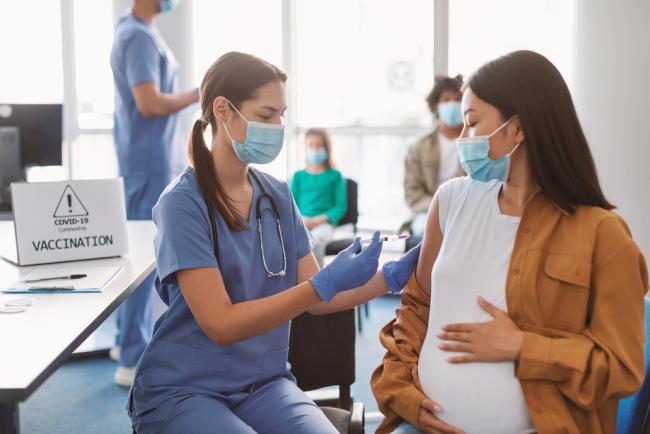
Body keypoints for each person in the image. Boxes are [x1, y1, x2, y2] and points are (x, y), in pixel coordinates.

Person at [127, 51, 422, 434]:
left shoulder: (277, 195)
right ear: (223, 110)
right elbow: (220, 324)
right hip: (186, 388)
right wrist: (322, 285)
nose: (278, 126)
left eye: (282, 114)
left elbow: (322, 301)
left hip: (263, 384)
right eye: (267, 115)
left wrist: (392, 275)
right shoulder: (182, 204)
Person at [371, 50, 648, 434]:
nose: (462, 138)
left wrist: (522, 347)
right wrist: (404, 396)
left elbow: (620, 369)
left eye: (471, 123)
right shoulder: (450, 200)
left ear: (518, 128)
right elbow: (416, 308)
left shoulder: (603, 234)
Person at [109, 0, 199, 387]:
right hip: (147, 163)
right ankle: (132, 358)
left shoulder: (145, 33)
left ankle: (126, 344)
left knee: (146, 257)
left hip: (155, 160)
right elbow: (148, 103)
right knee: (143, 262)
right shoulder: (135, 37)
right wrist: (197, 94)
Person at [403, 75, 464, 237]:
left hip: (466, 210)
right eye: (446, 99)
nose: (453, 104)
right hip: (427, 210)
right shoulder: (418, 147)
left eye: (458, 99)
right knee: (425, 233)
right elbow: (412, 192)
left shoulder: (474, 144)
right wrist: (440, 206)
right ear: (435, 106)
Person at [290, 128, 347, 266]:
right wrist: (303, 220)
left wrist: (317, 221)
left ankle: (317, 282)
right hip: (301, 222)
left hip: (324, 224)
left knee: (314, 241)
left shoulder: (335, 176)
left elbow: (340, 206)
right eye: (311, 145)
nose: (315, 149)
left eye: (319, 145)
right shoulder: (298, 176)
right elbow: (290, 204)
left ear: (326, 148)